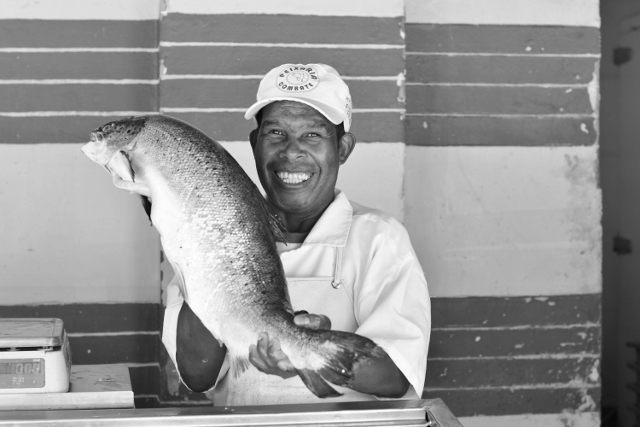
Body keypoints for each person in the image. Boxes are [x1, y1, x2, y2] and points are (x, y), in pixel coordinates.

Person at [162, 63, 431, 406]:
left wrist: (307, 351)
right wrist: (203, 248)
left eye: (312, 135)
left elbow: (395, 374)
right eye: (275, 133)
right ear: (255, 143)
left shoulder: (380, 239)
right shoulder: (214, 235)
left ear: (343, 148)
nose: (291, 151)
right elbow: (197, 375)